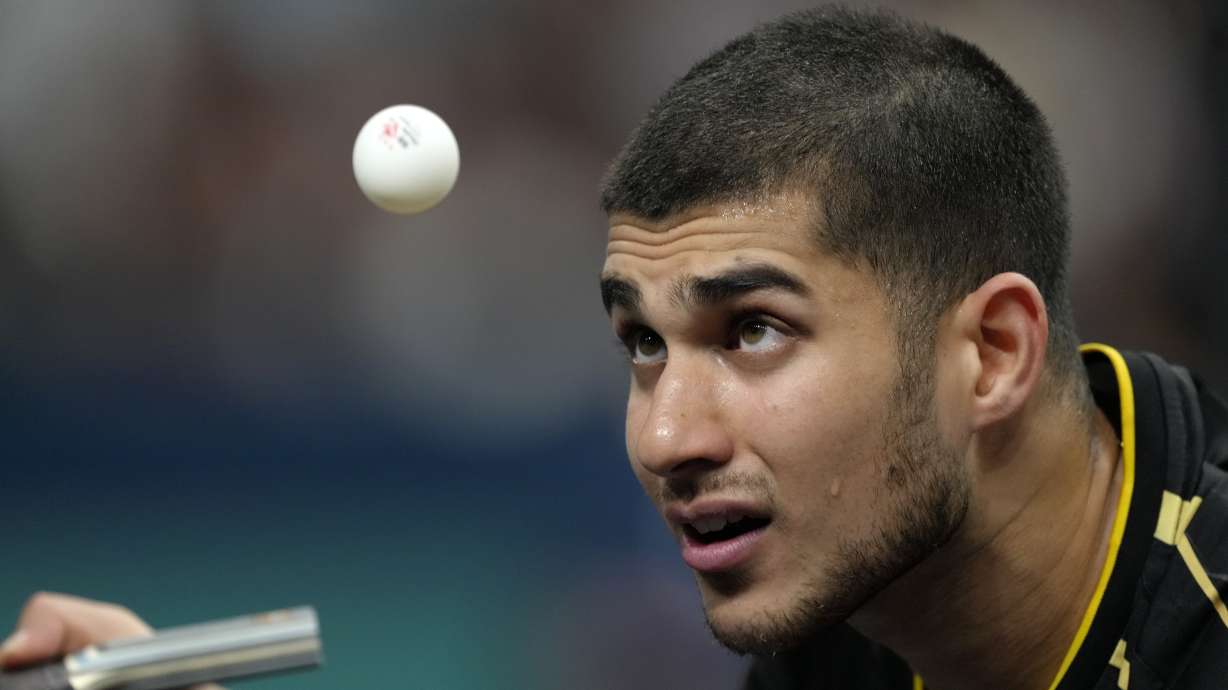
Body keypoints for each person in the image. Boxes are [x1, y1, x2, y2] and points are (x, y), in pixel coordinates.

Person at [3, 7, 1225, 690]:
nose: (664, 438)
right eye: (642, 345)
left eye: (754, 330)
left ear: (994, 355)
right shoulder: (849, 631)